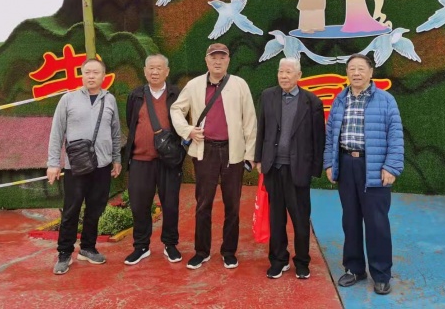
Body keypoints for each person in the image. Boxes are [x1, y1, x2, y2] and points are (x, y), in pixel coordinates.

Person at [170, 43, 257, 270]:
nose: (218, 61)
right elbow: (176, 109)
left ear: (228, 60)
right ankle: (202, 251)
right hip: (205, 149)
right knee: (203, 203)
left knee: (233, 204)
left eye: (222, 57)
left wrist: (250, 154)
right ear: (206, 61)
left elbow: (250, 120)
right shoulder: (194, 85)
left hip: (232, 151)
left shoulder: (239, 84)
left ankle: (229, 251)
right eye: (213, 57)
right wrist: (187, 130)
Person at [323, 54, 404, 295]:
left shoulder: (386, 100)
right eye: (352, 69)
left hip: (374, 166)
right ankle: (354, 268)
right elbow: (330, 135)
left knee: (377, 222)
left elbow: (396, 135)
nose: (356, 73)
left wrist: (391, 167)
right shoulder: (340, 99)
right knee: (350, 219)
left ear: (371, 72)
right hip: (346, 164)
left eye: (361, 69)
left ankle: (381, 274)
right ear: (347, 72)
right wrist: (330, 163)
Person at [47, 58, 122, 275]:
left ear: (103, 76)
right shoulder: (68, 99)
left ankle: (88, 248)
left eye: (96, 72)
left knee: (95, 208)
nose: (91, 76)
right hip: (76, 166)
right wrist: (53, 163)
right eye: (87, 72)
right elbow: (57, 132)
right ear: (82, 74)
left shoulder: (110, 100)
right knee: (71, 210)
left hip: (102, 165)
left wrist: (116, 158)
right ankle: (64, 253)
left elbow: (115, 132)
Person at [255, 58, 325, 280]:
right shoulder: (268, 96)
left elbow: (318, 138)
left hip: (299, 169)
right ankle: (278, 260)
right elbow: (261, 129)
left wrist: (315, 169)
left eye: (288, 72)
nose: (283, 76)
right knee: (276, 219)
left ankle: (302, 262)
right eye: (281, 72)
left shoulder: (312, 102)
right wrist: (258, 158)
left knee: (301, 219)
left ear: (299, 75)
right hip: (273, 167)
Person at [123, 54, 182, 265]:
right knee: (139, 205)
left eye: (159, 68)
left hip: (169, 162)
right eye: (151, 68)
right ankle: (141, 246)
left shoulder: (176, 94)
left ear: (167, 71)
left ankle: (170, 244)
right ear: (145, 71)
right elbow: (131, 122)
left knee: (171, 204)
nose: (155, 72)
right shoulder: (136, 95)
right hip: (140, 160)